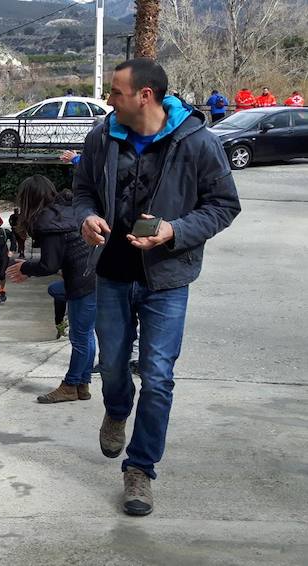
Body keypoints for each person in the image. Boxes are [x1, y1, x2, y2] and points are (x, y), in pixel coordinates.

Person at [75, 58, 240, 516]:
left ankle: (140, 470)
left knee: (159, 375)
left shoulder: (199, 143)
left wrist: (175, 232)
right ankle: (116, 407)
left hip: (167, 280)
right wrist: (86, 217)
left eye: (117, 92)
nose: (109, 100)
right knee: (110, 365)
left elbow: (224, 205)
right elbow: (83, 188)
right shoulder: (101, 136)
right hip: (111, 273)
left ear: (145, 95)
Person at [8, 178, 96, 404]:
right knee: (86, 334)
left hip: (82, 281)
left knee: (79, 337)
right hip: (95, 276)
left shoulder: (47, 220)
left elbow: (50, 264)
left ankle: (70, 385)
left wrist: (25, 268)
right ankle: (82, 385)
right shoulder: (68, 208)